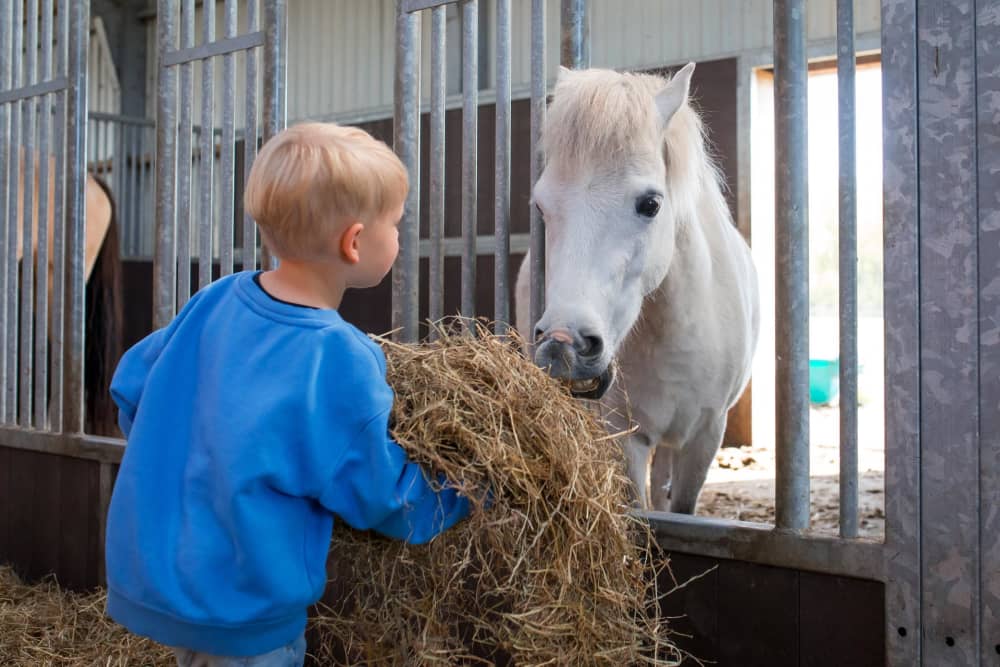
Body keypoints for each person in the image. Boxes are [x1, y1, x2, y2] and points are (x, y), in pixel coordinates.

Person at [104, 122, 471, 666]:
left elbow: (132, 388)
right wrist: (465, 490)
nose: (399, 235)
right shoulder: (338, 357)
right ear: (354, 242)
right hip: (251, 612)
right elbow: (384, 497)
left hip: (163, 579)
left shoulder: (213, 301)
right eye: (395, 223)